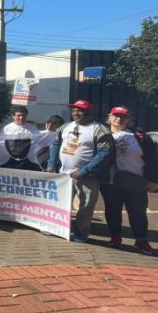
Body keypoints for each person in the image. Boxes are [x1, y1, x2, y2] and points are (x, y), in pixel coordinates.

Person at [47, 100, 114, 243]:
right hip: (64, 174)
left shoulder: (99, 129)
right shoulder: (65, 127)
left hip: (87, 176)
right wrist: (51, 164)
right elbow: (56, 144)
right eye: (74, 110)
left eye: (80, 110)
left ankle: (81, 233)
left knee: (85, 207)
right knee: (60, 203)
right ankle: (56, 228)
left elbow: (104, 154)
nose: (75, 113)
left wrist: (84, 170)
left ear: (89, 112)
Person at [101, 106, 158, 255]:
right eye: (116, 116)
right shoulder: (103, 135)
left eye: (123, 116)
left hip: (135, 182)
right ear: (109, 117)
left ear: (129, 119)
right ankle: (115, 237)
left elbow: (153, 159)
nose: (119, 119)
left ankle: (141, 240)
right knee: (112, 211)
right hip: (110, 182)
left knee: (138, 213)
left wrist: (153, 180)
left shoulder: (140, 136)